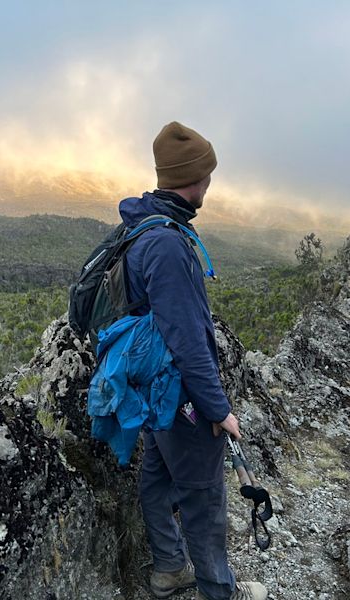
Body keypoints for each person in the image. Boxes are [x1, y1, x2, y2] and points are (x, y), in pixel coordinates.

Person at [118, 122, 268, 600]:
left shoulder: (143, 225)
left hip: (154, 391)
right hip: (179, 395)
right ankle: (218, 592)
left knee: (157, 479)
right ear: (196, 177)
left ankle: (168, 568)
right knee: (204, 500)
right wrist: (218, 409)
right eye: (208, 174)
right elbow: (186, 338)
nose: (210, 183)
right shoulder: (165, 243)